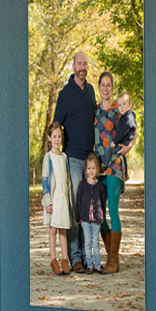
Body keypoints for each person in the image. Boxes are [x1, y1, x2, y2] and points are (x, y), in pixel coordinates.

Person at [53, 52, 96, 273]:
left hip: (90, 160)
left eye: (85, 64)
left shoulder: (90, 91)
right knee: (75, 210)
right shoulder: (65, 94)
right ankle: (75, 257)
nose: (82, 67)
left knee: (88, 211)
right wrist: (55, 157)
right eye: (79, 63)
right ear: (73, 66)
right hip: (72, 158)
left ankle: (88, 256)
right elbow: (56, 125)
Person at [93, 71, 131, 273]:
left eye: (109, 85)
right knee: (98, 215)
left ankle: (113, 261)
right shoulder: (94, 110)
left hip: (115, 165)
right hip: (98, 168)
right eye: (103, 84)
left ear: (112, 87)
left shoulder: (119, 110)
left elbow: (133, 129)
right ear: (98, 86)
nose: (106, 88)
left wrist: (129, 146)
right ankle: (110, 255)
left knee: (113, 211)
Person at [41, 121, 72, 275]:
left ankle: (65, 259)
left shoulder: (64, 157)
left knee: (62, 229)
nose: (57, 139)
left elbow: (67, 180)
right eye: (54, 136)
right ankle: (54, 260)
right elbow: (45, 180)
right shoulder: (49, 157)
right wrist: (48, 201)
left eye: (59, 136)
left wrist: (69, 200)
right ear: (49, 138)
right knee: (53, 229)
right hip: (53, 198)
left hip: (63, 199)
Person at [77, 153, 107, 275]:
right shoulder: (82, 185)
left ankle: (98, 265)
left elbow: (103, 202)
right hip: (85, 219)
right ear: (85, 170)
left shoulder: (100, 186)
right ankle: (89, 265)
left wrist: (102, 216)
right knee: (87, 242)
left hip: (96, 220)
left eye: (93, 168)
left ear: (98, 169)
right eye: (89, 168)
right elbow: (79, 201)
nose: (91, 171)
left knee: (96, 242)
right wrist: (79, 217)